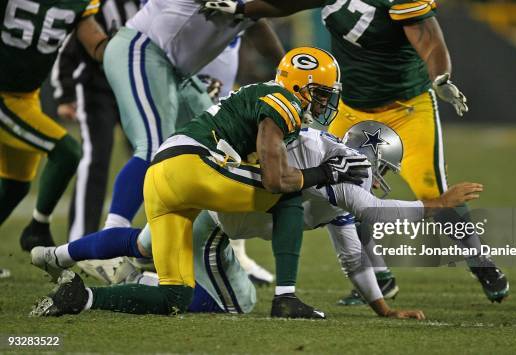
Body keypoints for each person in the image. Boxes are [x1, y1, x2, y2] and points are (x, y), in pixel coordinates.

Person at [202, 0, 509, 303]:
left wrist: (440, 75)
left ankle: (480, 261)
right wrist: (245, 8)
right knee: (340, 188)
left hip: (407, 107)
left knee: (431, 190)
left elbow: (428, 38)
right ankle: (378, 276)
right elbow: (288, 4)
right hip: (349, 107)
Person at [30, 46, 371, 319]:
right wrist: (326, 174)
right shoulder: (284, 101)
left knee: (173, 294)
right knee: (286, 194)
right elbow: (274, 179)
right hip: (195, 165)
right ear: (298, 85)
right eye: (321, 93)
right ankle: (286, 298)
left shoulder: (259, 96)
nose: (325, 102)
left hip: (165, 172)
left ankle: (73, 285)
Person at [31, 127, 482, 318]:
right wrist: (436, 204)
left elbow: (352, 255)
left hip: (213, 204)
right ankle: (118, 290)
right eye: (382, 170)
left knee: (145, 243)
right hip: (219, 221)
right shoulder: (340, 176)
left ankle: (54, 254)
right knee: (228, 304)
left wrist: (382, 309)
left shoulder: (335, 178)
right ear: (368, 158)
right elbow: (372, 211)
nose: (381, 180)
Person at [99, 0, 285, 232]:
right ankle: (112, 236)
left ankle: (158, 244)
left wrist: (285, 71)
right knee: (156, 147)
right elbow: (273, 8)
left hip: (178, 73)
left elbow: (260, 21)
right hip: (142, 48)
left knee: (209, 152)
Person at [0, 0, 108, 251]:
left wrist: (126, 47)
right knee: (67, 151)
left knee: (16, 186)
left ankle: (37, 228)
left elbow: (95, 43)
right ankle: (37, 230)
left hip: (26, 96)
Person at [51, 0, 140, 243]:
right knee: (96, 157)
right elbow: (66, 45)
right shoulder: (96, 5)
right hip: (95, 88)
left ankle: (149, 239)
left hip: (134, 88)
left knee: (152, 158)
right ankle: (80, 238)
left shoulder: (146, 4)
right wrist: (65, 94)